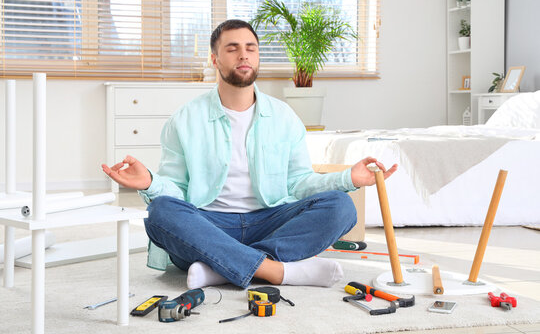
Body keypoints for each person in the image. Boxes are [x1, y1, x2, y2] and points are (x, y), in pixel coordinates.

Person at [102, 19, 397, 289]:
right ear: (215, 59)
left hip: (270, 221)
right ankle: (275, 271)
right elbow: (176, 191)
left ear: (257, 57)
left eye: (250, 48)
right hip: (209, 224)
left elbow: (299, 183)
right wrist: (150, 182)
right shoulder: (184, 119)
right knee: (160, 212)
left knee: (341, 206)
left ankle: (219, 268)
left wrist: (348, 178)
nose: (243, 55)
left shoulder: (284, 117)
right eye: (232, 49)